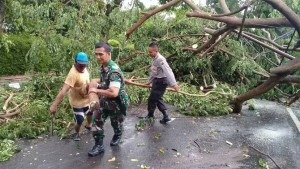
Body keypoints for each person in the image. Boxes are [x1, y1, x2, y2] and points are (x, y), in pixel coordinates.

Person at [87, 42, 128, 157]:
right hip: (105, 101)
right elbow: (106, 83)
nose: (98, 57)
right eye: (96, 54)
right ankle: (99, 145)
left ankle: (118, 134)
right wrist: (96, 85)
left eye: (101, 54)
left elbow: (114, 92)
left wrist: (96, 90)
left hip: (117, 103)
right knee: (96, 120)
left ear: (109, 54)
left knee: (116, 123)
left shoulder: (114, 71)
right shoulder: (104, 66)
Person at [49, 52, 92, 141]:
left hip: (86, 99)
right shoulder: (73, 74)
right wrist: (54, 105)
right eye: (80, 65)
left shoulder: (85, 68)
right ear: (75, 62)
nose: (82, 67)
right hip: (77, 102)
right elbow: (64, 90)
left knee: (90, 113)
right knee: (80, 119)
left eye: (85, 65)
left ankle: (89, 125)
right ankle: (77, 133)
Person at [145, 42, 180, 124]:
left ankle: (160, 115)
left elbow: (168, 71)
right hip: (156, 81)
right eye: (149, 52)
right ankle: (159, 115)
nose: (149, 53)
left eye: (150, 52)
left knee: (154, 99)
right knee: (156, 98)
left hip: (162, 81)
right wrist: (149, 81)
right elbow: (154, 71)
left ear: (156, 51)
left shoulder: (161, 59)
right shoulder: (154, 59)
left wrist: (174, 84)